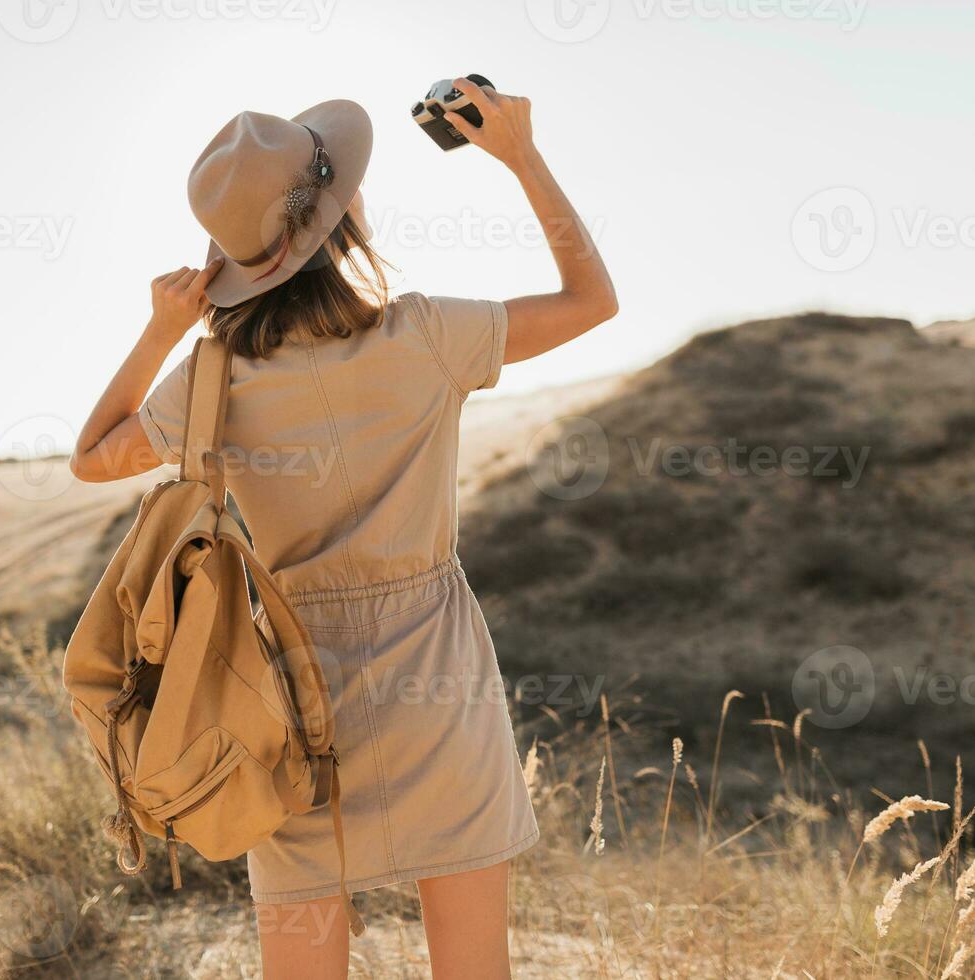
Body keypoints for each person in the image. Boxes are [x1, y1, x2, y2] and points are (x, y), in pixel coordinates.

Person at [71, 82, 616, 979]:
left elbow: (92, 456)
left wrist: (164, 327)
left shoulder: (215, 379)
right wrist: (520, 156)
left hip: (287, 692)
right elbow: (591, 299)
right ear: (339, 220)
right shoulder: (431, 333)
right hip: (437, 675)